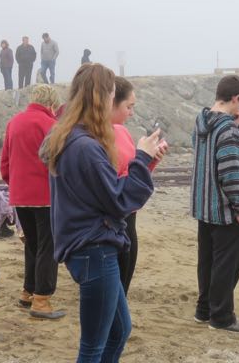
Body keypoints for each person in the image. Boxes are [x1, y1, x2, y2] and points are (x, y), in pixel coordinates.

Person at [41, 63, 160, 362]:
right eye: (111, 94)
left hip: (87, 245)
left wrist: (143, 162)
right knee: (93, 345)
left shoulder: (68, 136)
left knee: (119, 331)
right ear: (101, 97)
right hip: (94, 249)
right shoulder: (85, 146)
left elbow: (104, 192)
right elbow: (118, 201)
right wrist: (142, 158)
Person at [191, 75, 239, 333]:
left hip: (204, 206)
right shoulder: (226, 129)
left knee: (207, 262)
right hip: (225, 211)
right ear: (235, 98)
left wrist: (236, 126)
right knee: (228, 265)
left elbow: (206, 153)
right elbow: (231, 172)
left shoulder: (201, 122)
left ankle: (204, 310)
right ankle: (222, 317)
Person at [0, 84, 66, 320]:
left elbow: (5, 162)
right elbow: (59, 162)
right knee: (48, 246)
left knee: (32, 244)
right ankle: (42, 299)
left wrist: (15, 183)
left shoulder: (14, 122)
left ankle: (27, 292)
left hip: (20, 194)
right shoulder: (52, 125)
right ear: (52, 104)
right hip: (45, 195)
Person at [111, 76, 166, 295]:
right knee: (112, 292)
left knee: (122, 288)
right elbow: (114, 186)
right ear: (112, 102)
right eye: (129, 107)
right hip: (113, 221)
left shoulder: (122, 132)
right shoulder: (93, 139)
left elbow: (133, 174)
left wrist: (150, 160)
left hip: (129, 219)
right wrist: (141, 158)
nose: (132, 113)